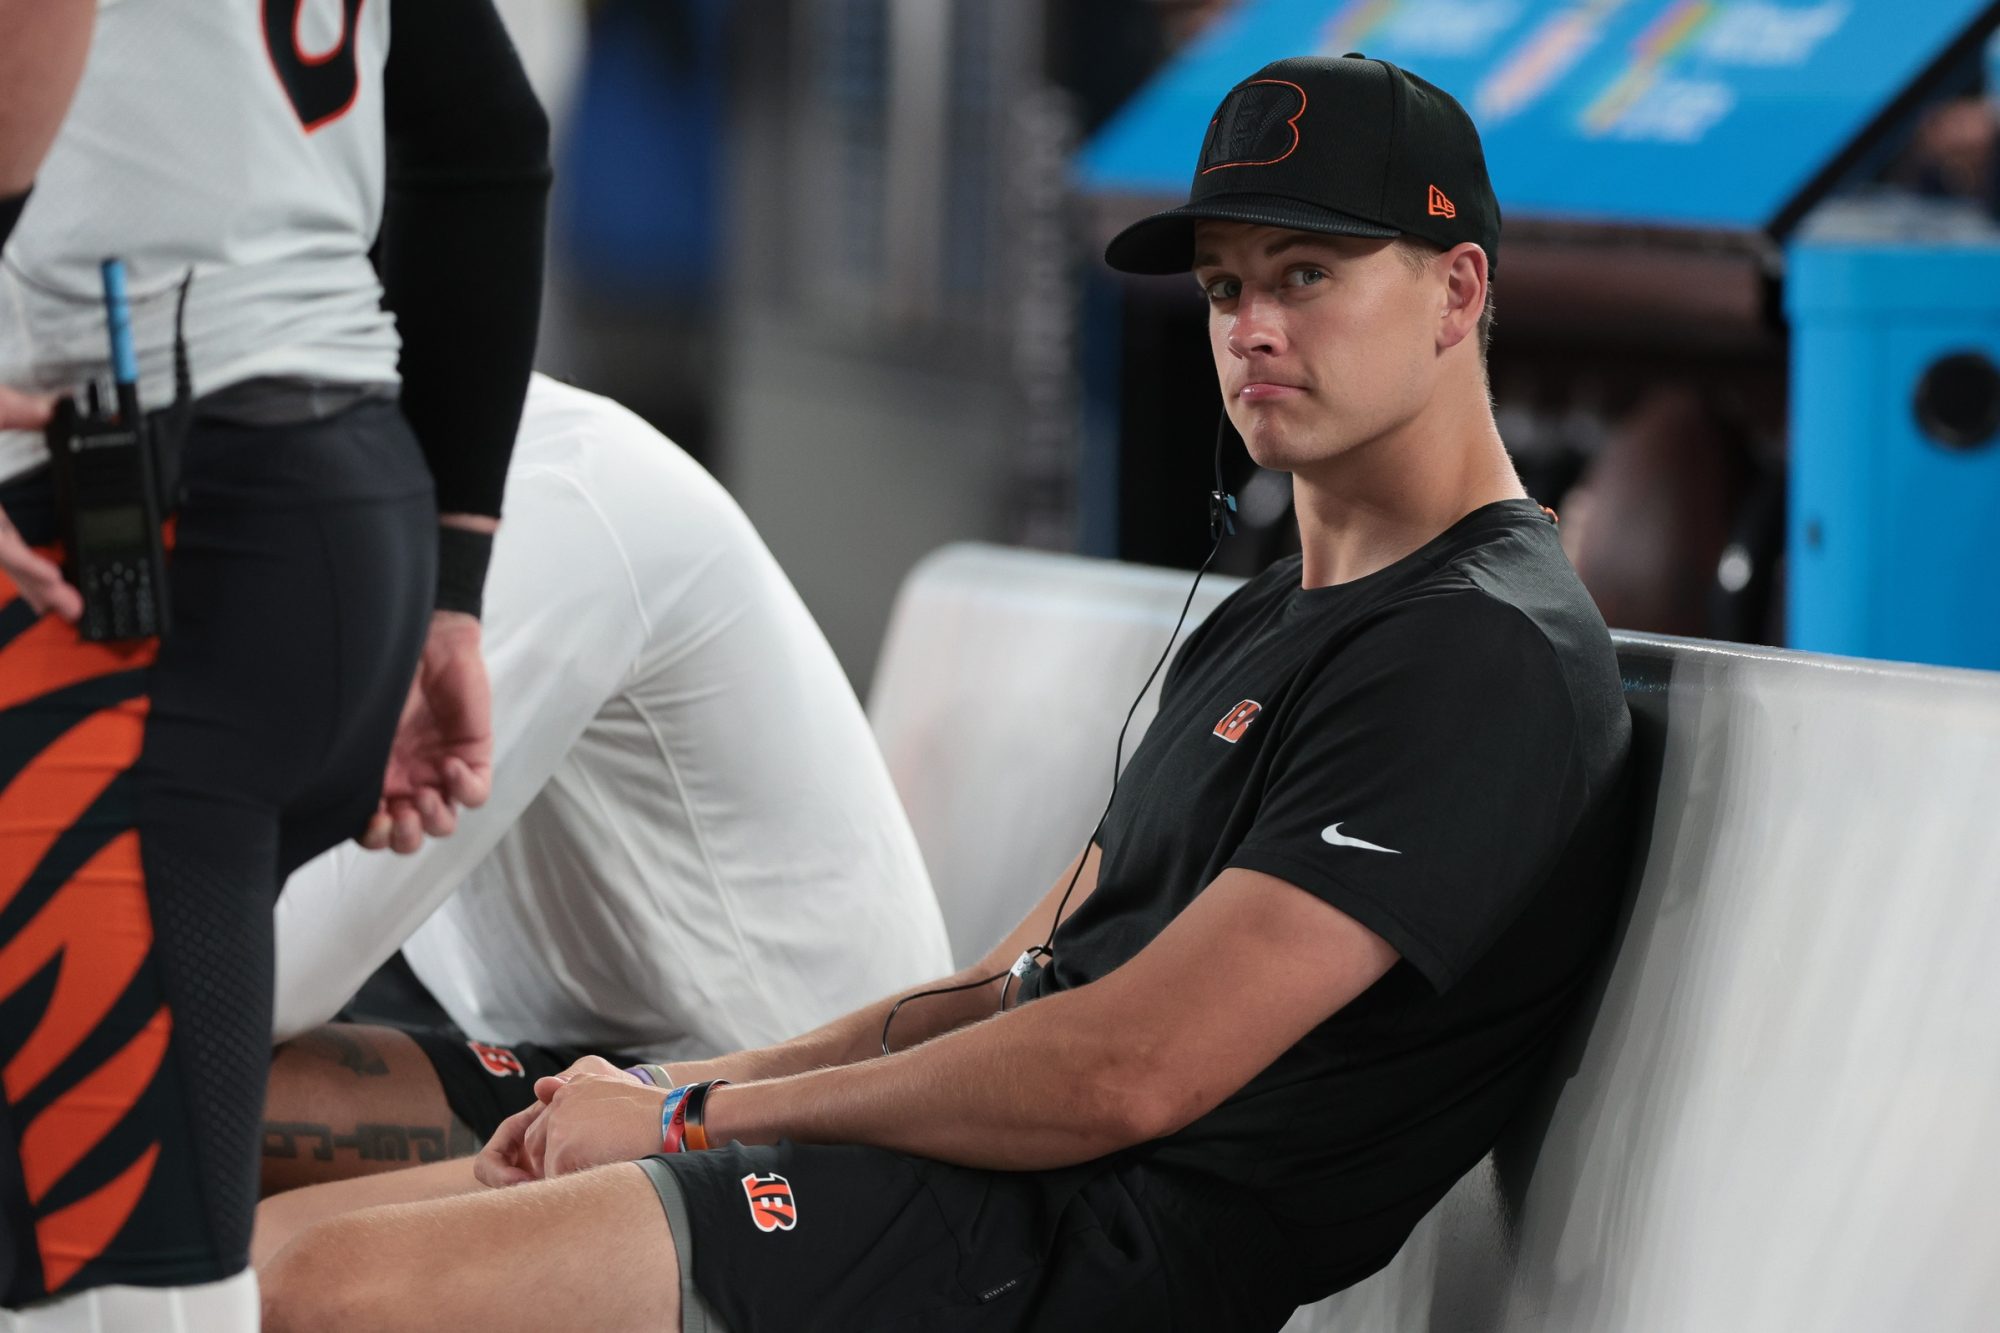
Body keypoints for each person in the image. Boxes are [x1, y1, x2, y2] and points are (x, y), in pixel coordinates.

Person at [253, 54, 1635, 1332]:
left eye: (1307, 272)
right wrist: (683, 1095)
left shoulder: (1483, 649)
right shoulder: (1285, 604)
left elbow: (1128, 1069)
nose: (1253, 327)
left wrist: (692, 1117)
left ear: (1458, 292)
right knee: (244, 1274)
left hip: (1080, 1247)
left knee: (319, 1295)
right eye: (1224, 287)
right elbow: (1006, 980)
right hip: (985, 1183)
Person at [0, 1, 547, 1327]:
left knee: (107, 1275)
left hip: (155, 520)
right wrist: (452, 590)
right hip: (317, 502)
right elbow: (485, 135)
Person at [260, 375, 952, 1193]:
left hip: (778, 1105)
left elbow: (263, 970)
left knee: (164, 1097)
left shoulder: (547, 506)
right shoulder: (344, 501)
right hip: (579, 1050)